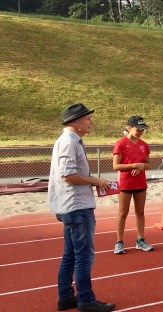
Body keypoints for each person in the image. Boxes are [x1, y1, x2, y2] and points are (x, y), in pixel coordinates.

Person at [50, 103, 116, 312]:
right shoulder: (69, 142)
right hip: (76, 207)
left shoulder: (71, 141)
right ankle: (86, 301)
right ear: (75, 122)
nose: (91, 122)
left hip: (71, 205)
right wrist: (94, 181)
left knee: (71, 254)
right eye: (87, 119)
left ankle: (66, 297)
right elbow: (68, 175)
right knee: (84, 256)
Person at [112, 116, 153, 254]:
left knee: (140, 212)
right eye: (138, 128)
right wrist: (134, 165)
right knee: (123, 212)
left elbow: (148, 164)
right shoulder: (121, 143)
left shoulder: (144, 145)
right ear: (129, 127)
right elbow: (116, 165)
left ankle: (140, 240)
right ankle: (119, 241)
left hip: (140, 182)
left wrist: (141, 166)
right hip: (125, 183)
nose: (140, 131)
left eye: (142, 129)